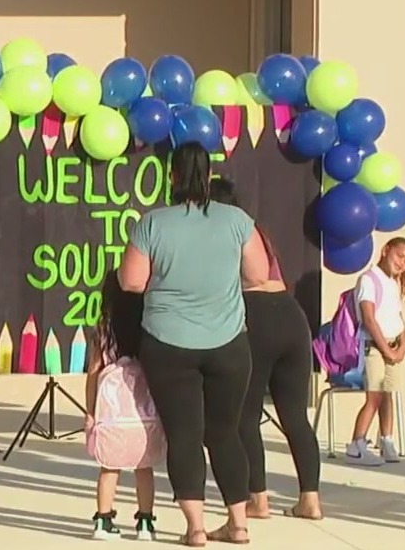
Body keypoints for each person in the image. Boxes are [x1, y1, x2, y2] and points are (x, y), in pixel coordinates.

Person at [118, 143, 271, 546]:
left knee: (184, 435)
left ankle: (196, 529)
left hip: (169, 343)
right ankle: (238, 524)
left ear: (171, 177)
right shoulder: (237, 220)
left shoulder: (153, 224)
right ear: (208, 177)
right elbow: (258, 276)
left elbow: (130, 282)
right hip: (228, 343)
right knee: (225, 433)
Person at [208, 178, 323, 520]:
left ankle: (258, 499)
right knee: (296, 417)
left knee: (245, 414)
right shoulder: (259, 231)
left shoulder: (223, 231)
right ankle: (311, 499)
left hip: (255, 314)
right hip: (290, 314)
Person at [84, 271, 159, 541]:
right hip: (144, 414)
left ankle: (103, 521)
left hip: (112, 414)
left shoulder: (102, 331)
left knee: (109, 466)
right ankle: (145, 524)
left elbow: (94, 373)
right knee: (144, 466)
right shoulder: (149, 328)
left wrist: (91, 411)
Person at [344, 237, 405, 466]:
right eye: (399, 256)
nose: (402, 263)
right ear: (386, 251)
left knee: (388, 394)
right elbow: (369, 318)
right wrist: (386, 349)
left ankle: (386, 439)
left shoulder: (393, 283)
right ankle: (357, 443)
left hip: (392, 347)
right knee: (374, 396)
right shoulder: (368, 280)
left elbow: (398, 317)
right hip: (374, 347)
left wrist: (402, 345)